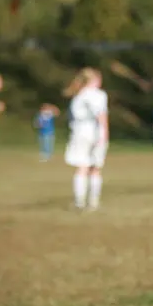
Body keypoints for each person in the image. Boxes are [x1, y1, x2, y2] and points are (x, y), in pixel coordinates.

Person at [64, 68, 109, 211]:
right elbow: (101, 114)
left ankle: (80, 202)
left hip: (81, 131)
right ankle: (94, 201)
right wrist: (105, 132)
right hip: (95, 130)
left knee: (82, 167)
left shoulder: (79, 95)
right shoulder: (98, 94)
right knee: (95, 168)